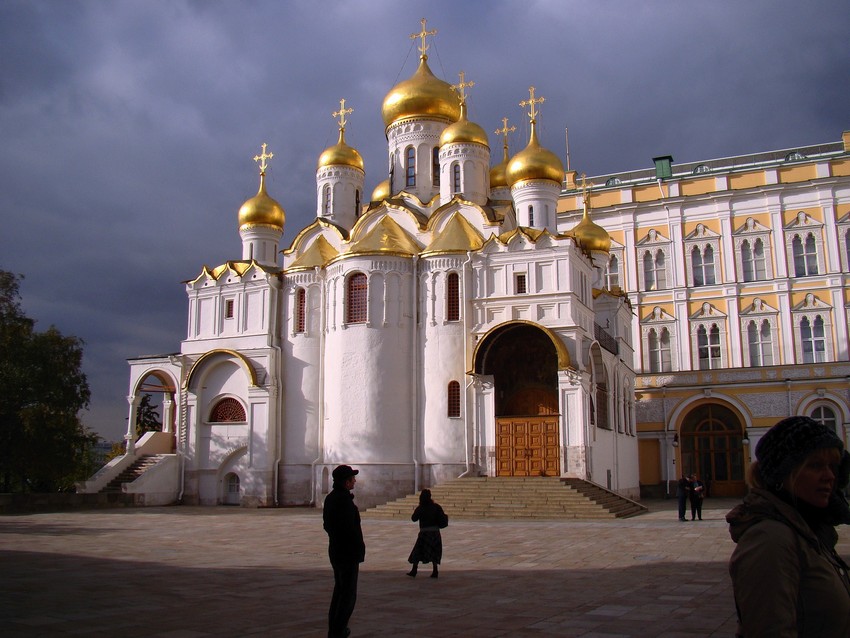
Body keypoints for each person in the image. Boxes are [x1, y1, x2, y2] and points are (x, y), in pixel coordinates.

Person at [726, 416, 850, 637]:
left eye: (832, 466)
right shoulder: (771, 539)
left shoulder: (809, 528)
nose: (829, 476)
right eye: (815, 465)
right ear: (783, 474)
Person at [323, 465, 365, 638]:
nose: (355, 481)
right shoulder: (343, 500)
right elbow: (349, 528)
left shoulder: (331, 498)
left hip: (336, 550)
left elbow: (327, 525)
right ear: (346, 482)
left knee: (340, 591)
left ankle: (335, 628)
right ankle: (338, 630)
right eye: (352, 478)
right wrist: (356, 548)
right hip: (347, 552)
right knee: (347, 594)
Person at [406, 488, 448, 579]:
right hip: (435, 532)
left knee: (417, 551)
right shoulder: (436, 506)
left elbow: (413, 518)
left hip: (424, 533)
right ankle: (435, 570)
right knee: (434, 551)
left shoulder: (421, 508)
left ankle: (414, 569)